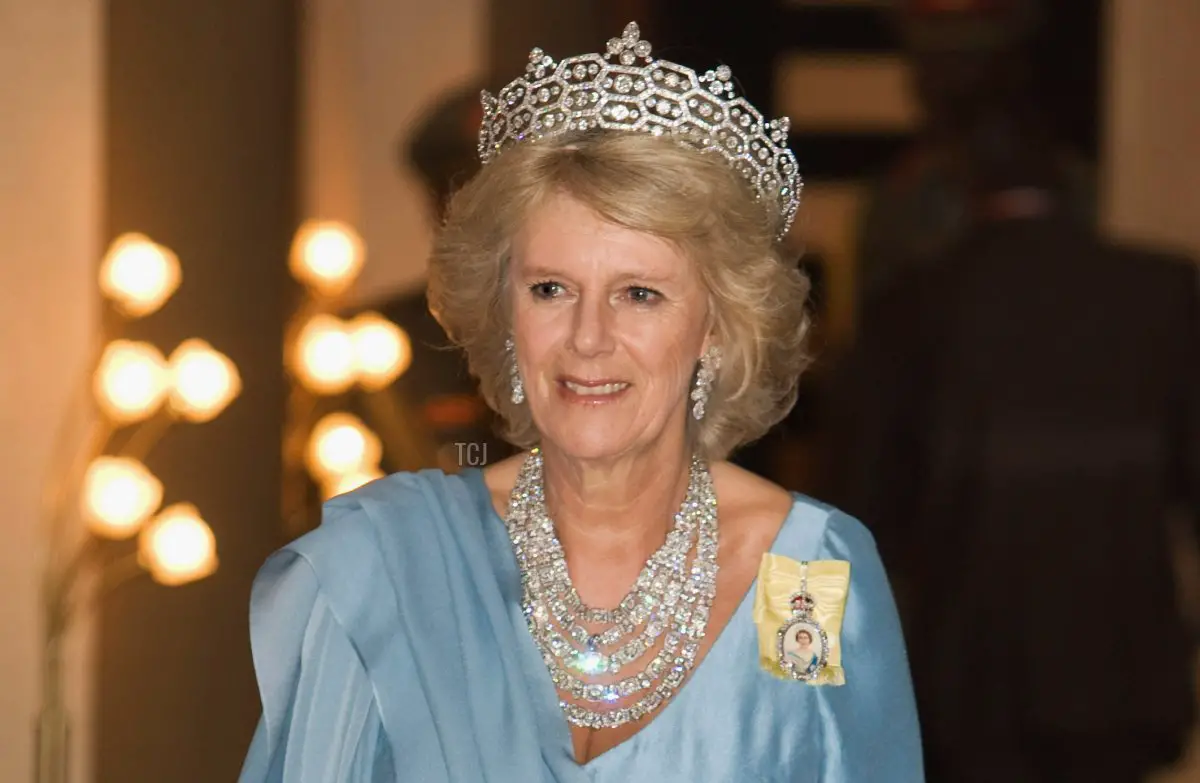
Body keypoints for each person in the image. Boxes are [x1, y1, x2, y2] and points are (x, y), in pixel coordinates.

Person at [239, 22, 922, 782]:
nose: (589, 338)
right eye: (551, 289)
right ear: (505, 314)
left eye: (640, 293)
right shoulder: (390, 565)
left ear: (717, 327)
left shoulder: (801, 571)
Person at [835, 70, 1199, 783]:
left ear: (963, 187)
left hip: (966, 673)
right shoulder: (1163, 292)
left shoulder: (912, 304)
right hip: (1121, 668)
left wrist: (801, 671)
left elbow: (851, 510)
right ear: (1071, 181)